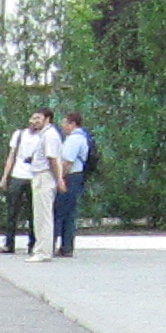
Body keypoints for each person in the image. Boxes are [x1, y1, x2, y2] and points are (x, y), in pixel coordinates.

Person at [3, 109, 63, 260]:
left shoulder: (50, 135)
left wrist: (59, 179)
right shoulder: (43, 134)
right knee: (39, 216)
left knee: (43, 217)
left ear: (47, 119)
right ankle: (41, 249)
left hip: (43, 176)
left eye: (38, 118)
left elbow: (52, 159)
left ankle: (43, 251)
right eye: (33, 118)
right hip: (36, 175)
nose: (34, 121)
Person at [56, 110, 91, 256]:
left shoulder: (74, 139)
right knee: (69, 212)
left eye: (65, 123)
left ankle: (63, 245)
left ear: (72, 124)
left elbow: (67, 162)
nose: (63, 126)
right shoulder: (81, 137)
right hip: (75, 176)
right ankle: (67, 246)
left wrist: (59, 178)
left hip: (70, 176)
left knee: (62, 211)